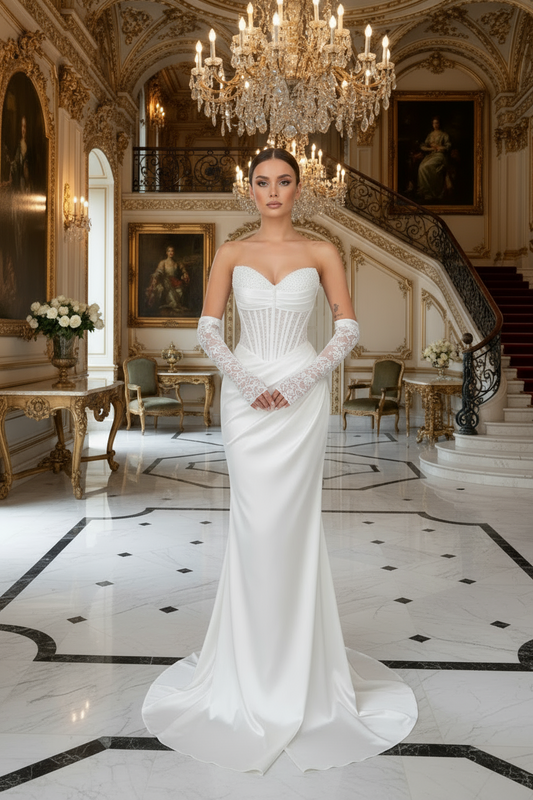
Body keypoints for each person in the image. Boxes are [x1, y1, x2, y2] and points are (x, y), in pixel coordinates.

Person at [142, 148, 418, 773]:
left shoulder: (322, 250)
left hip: (300, 394)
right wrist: (241, 378)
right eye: (262, 182)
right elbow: (208, 328)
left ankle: (301, 673)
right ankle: (247, 667)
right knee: (253, 524)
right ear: (250, 190)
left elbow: (347, 327)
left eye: (284, 182)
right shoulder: (231, 252)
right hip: (245, 398)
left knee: (294, 527)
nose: (273, 191)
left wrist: (300, 381)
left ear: (300, 188)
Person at [146, 245, 190, 314]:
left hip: (174, 281)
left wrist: (185, 273)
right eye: (169, 251)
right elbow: (158, 272)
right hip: (166, 281)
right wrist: (155, 277)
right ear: (166, 252)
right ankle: (174, 305)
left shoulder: (176, 263)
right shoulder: (163, 262)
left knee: (180, 290)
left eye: (172, 251)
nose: (171, 253)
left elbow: (183, 269)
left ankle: (176, 305)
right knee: (168, 287)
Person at [416, 116, 452, 202]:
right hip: (431, 155)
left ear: (439, 124)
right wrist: (431, 149)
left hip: (440, 155)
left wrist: (439, 147)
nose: (435, 125)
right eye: (434, 123)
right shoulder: (430, 135)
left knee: (427, 166)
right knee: (421, 167)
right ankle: (427, 192)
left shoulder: (444, 135)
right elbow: (424, 145)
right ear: (432, 124)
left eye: (437, 123)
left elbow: (448, 146)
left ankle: (436, 192)